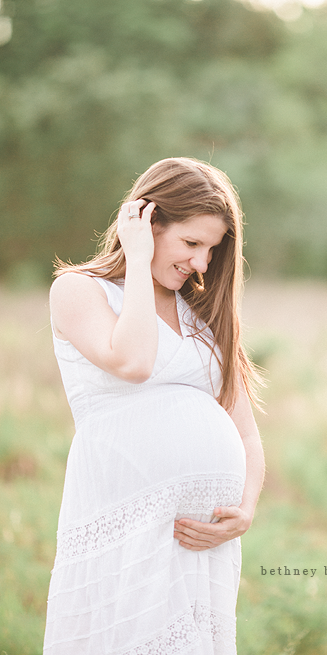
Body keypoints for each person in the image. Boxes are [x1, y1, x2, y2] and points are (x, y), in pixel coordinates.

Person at [44, 157, 265, 655]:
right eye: (191, 243)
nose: (202, 265)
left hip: (199, 547)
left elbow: (246, 432)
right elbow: (134, 361)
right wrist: (138, 263)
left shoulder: (202, 317)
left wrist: (245, 509)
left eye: (212, 249)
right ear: (145, 221)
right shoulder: (79, 291)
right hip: (127, 530)